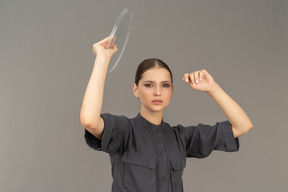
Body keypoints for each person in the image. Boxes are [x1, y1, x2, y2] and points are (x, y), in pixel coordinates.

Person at [80, 37, 253, 192]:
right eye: (148, 85)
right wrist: (102, 59)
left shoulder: (181, 137)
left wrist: (212, 88)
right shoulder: (125, 132)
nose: (157, 92)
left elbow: (242, 125)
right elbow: (89, 120)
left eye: (165, 85)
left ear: (172, 90)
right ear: (136, 90)